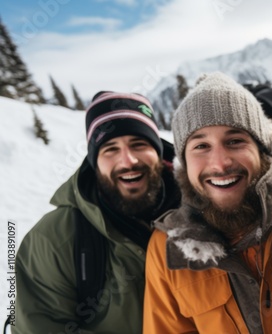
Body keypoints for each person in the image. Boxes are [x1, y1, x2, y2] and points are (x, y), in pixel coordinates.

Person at [13, 92, 180, 333]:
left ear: (158, 151)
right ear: (94, 161)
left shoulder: (205, 209)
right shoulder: (53, 240)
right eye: (110, 149)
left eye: (139, 144)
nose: (128, 160)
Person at [142, 71, 272, 333]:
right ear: (184, 163)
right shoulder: (170, 248)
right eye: (201, 146)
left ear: (261, 150)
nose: (220, 163)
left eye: (235, 141)